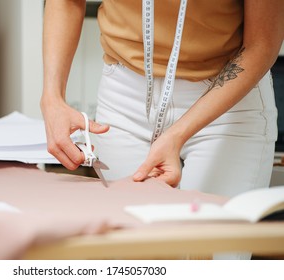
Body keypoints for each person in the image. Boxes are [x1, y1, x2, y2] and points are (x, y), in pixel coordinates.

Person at [40, 0, 284, 199]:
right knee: (134, 251)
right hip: (124, 98)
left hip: (225, 105)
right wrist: (52, 97)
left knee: (210, 249)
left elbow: (261, 44)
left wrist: (177, 135)